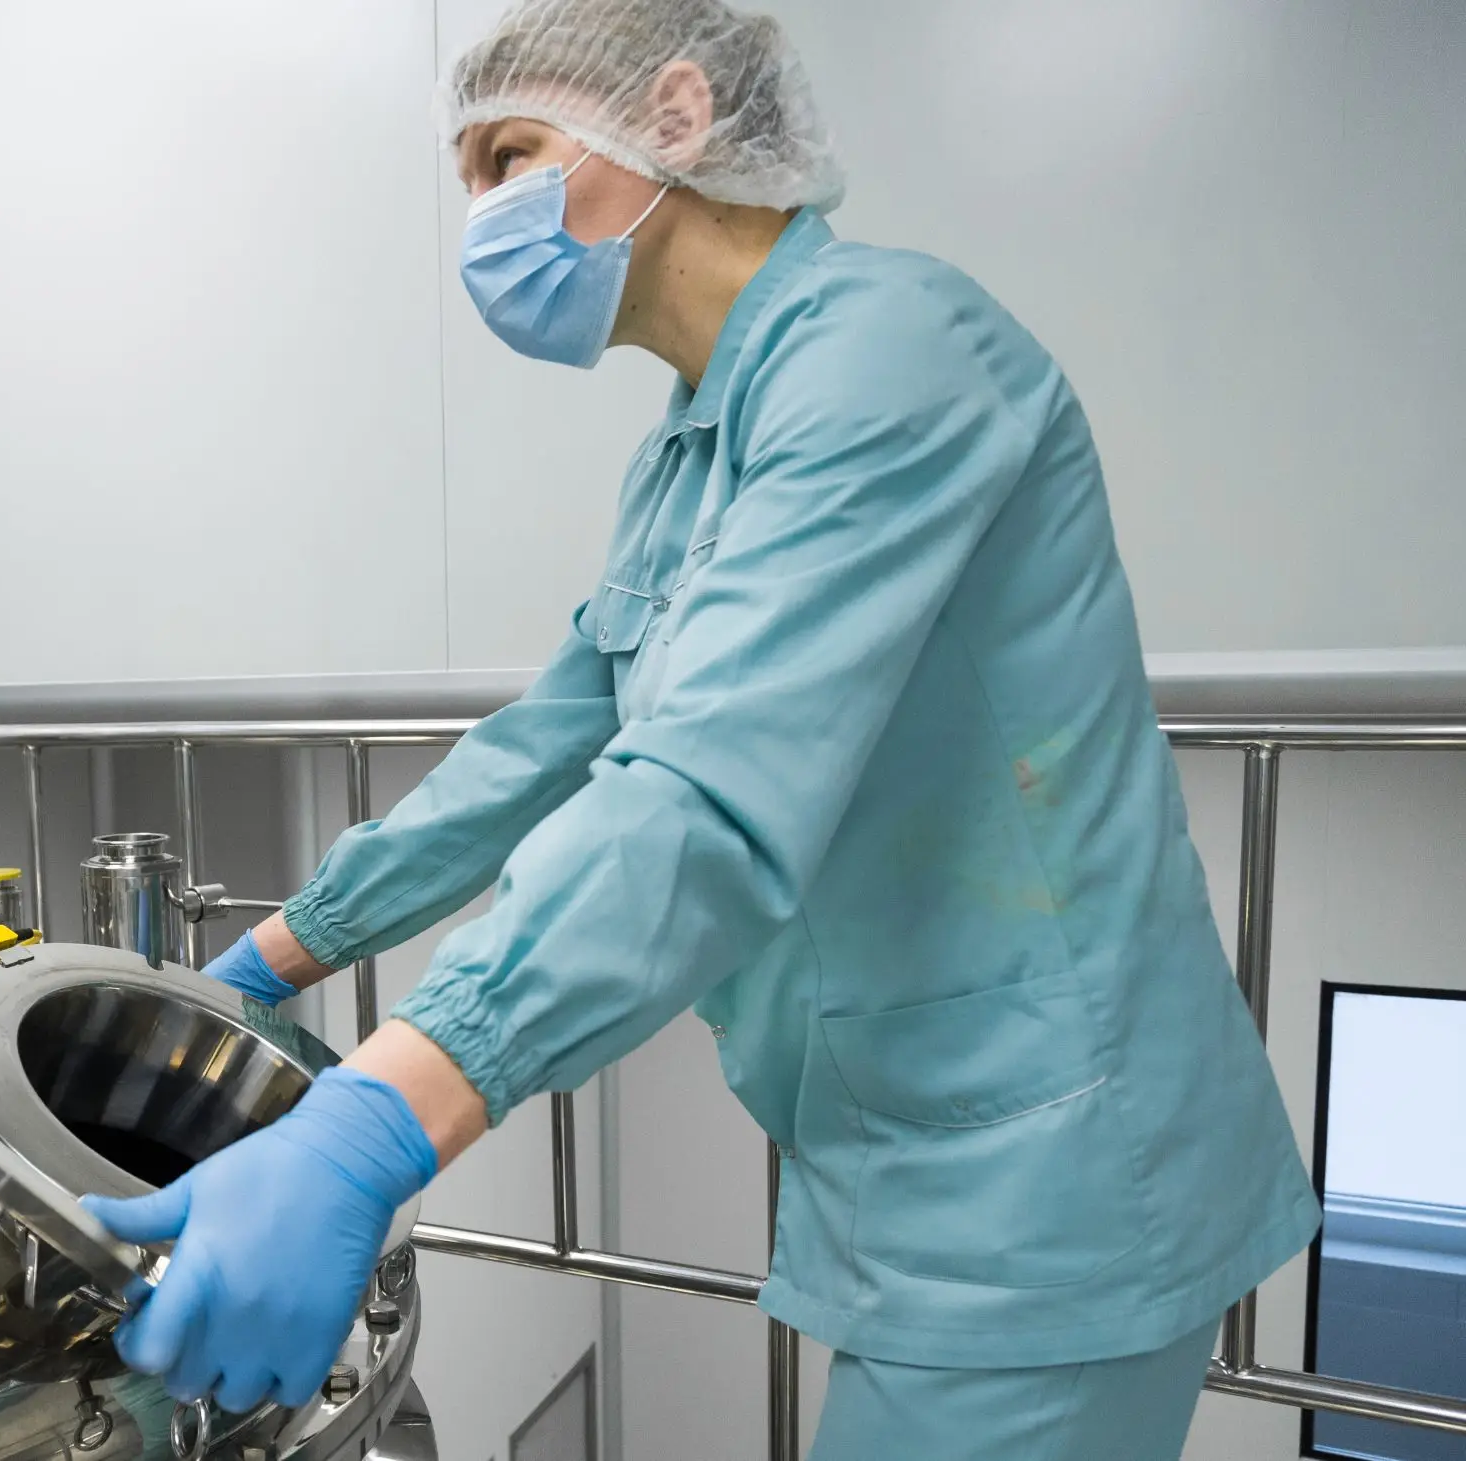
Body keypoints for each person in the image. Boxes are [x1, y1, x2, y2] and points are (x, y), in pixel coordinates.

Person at [78, 2, 1320, 1456]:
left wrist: (379, 1121)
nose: (484, 216)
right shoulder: (691, 444)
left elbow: (704, 795)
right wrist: (276, 957)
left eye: (513, 155)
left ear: (673, 118)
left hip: (1057, 1188)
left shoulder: (888, 353)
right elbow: (548, 747)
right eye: (468, 177)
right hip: (913, 1161)